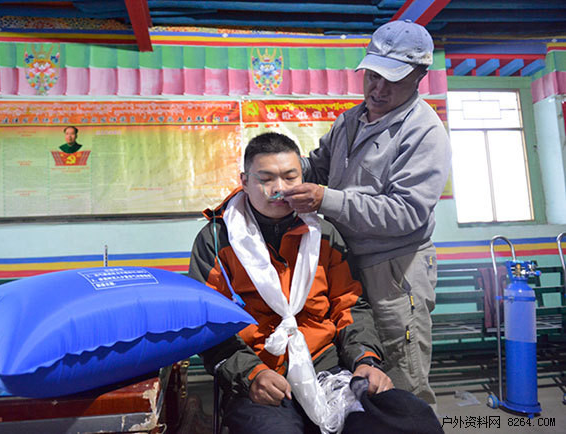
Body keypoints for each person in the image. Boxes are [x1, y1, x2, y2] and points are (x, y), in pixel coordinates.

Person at [283, 20, 452, 410]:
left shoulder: (424, 133)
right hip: (346, 266)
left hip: (394, 273)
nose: (378, 88)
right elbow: (319, 165)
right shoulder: (350, 120)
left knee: (400, 384)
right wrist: (284, 171)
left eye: (393, 80)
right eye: (373, 75)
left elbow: (406, 212)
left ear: (420, 76)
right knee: (355, 379)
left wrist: (325, 199)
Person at [188, 132, 393, 433]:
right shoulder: (217, 240)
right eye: (266, 179)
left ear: (302, 178)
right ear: (244, 181)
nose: (279, 189)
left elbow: (349, 306)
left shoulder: (323, 234)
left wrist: (365, 360)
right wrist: (251, 374)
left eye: (289, 177)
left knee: (399, 418)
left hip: (326, 368)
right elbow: (210, 324)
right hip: (259, 378)